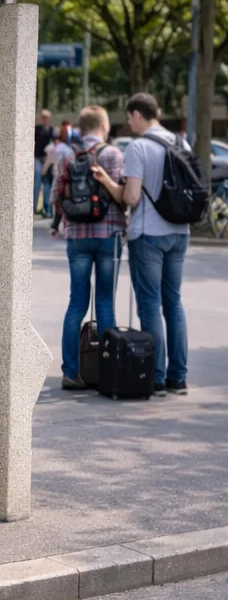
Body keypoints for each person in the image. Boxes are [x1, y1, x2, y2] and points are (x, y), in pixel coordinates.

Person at [91, 92, 189, 396]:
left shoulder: (139, 147)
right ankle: (179, 376)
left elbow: (130, 197)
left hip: (148, 235)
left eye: (128, 117)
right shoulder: (180, 142)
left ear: (136, 114)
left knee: (150, 303)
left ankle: (156, 377)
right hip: (180, 232)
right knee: (173, 302)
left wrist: (107, 181)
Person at [50, 106, 125, 389]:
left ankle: (71, 372)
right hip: (108, 235)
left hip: (78, 237)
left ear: (80, 129)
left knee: (76, 303)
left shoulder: (66, 156)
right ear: (105, 126)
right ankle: (108, 373)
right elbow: (122, 196)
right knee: (105, 301)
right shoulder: (113, 154)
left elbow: (56, 197)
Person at [34, 109, 54, 215]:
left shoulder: (51, 130)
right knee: (36, 183)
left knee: (47, 184)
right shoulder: (36, 129)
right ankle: (34, 207)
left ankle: (47, 209)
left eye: (47, 118)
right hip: (37, 158)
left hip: (47, 160)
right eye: (44, 118)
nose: (45, 120)